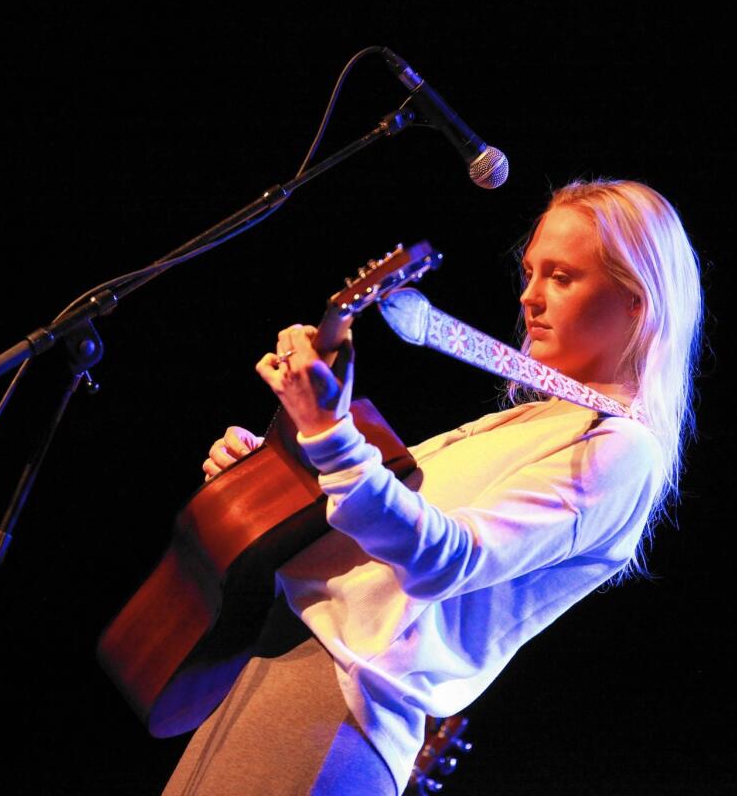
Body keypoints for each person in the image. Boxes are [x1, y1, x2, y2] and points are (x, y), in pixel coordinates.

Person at [162, 178, 704, 795]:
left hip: (340, 698)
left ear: (637, 300)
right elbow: (370, 521)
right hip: (284, 660)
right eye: (530, 272)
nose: (530, 297)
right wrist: (264, 476)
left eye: (561, 276)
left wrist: (327, 432)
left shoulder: (620, 450)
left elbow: (446, 559)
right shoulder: (537, 421)